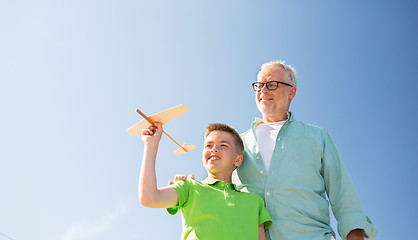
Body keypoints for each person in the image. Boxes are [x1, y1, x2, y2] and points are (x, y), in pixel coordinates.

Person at [174, 61, 378, 240]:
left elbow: (343, 194)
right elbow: (220, 186)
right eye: (259, 85)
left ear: (292, 91)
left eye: (272, 85)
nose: (263, 91)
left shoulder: (317, 137)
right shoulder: (239, 144)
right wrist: (191, 186)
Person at [138, 122, 273, 240]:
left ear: (238, 160)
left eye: (223, 145)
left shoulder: (255, 202)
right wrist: (151, 145)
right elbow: (149, 197)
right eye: (208, 145)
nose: (214, 149)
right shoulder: (189, 187)